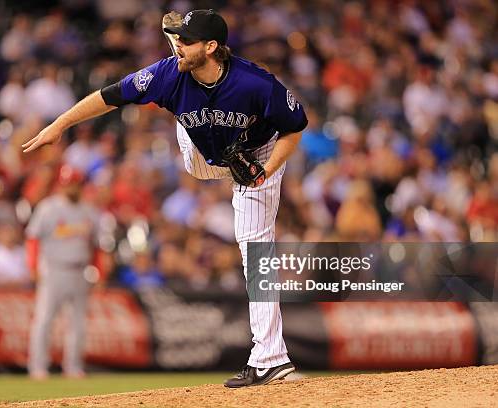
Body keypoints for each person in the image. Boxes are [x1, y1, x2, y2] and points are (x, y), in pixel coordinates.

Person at [22, 9, 307, 387]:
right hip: (199, 157)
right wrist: (59, 124)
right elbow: (109, 97)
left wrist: (265, 172)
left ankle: (271, 358)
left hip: (257, 157)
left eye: (186, 41)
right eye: (176, 38)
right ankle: (186, 96)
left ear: (212, 47)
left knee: (256, 248)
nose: (179, 47)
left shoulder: (256, 83)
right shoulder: (168, 73)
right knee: (188, 125)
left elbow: (295, 128)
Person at [26, 165, 100, 379]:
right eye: (68, 184)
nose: (71, 188)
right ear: (61, 184)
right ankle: (38, 367)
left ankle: (74, 367)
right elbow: (32, 238)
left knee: (78, 322)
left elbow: (96, 245)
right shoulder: (48, 208)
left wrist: (98, 270)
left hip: (80, 270)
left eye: (75, 184)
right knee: (44, 319)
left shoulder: (89, 211)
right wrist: (32, 266)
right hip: (53, 269)